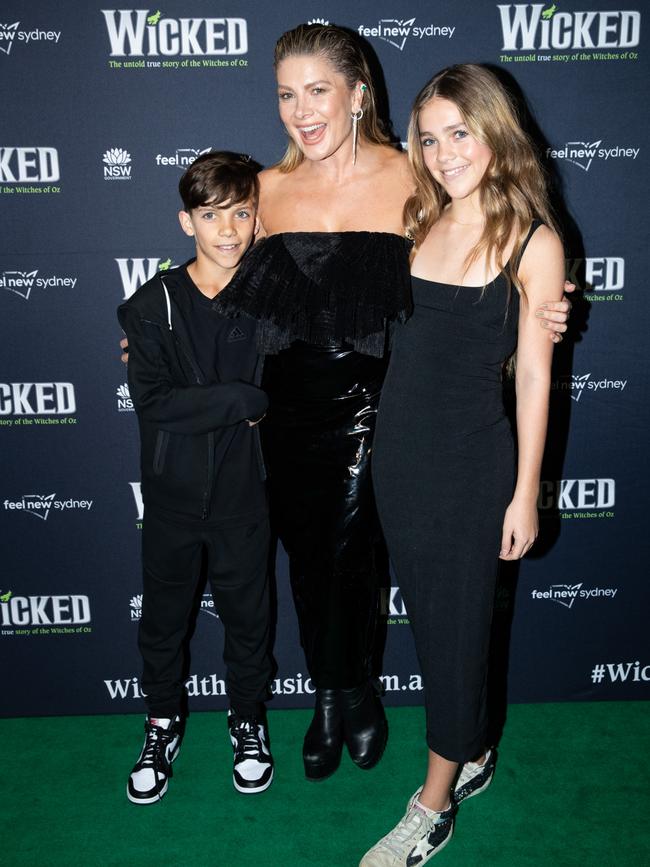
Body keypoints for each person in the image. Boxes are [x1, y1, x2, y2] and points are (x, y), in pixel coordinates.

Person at [119, 23, 571, 784]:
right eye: (286, 95)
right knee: (307, 558)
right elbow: (214, 270)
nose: (301, 110)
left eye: (317, 90)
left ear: (359, 95)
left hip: (383, 407)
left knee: (354, 556)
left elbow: (474, 260)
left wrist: (546, 306)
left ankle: (355, 691)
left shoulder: (418, 179)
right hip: (286, 411)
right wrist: (151, 339)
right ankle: (335, 695)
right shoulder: (265, 188)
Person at [361, 64, 566, 865]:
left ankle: (433, 804)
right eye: (431, 136)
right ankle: (472, 744)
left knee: (452, 638)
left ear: (496, 132)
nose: (445, 153)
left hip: (472, 469)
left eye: (461, 133)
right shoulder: (417, 218)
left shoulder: (534, 240)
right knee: (441, 628)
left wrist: (524, 494)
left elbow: (538, 376)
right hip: (399, 462)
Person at [117, 152, 274, 804]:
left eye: (241, 212)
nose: (229, 229)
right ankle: (161, 723)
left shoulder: (274, 299)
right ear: (187, 221)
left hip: (245, 498)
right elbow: (158, 404)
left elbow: (300, 385)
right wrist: (245, 399)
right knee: (163, 620)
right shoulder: (150, 306)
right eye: (213, 214)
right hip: (173, 499)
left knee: (249, 617)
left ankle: (247, 721)